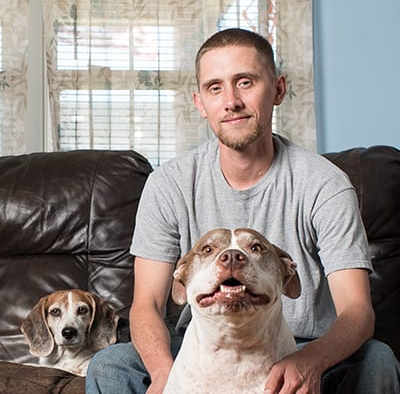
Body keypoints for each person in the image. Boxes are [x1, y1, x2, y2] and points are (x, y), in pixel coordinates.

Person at [86, 28, 400, 394]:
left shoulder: (325, 185)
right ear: (200, 102)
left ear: (278, 89)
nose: (230, 101)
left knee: (377, 359)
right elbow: (146, 305)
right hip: (201, 345)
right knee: (109, 364)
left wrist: (310, 361)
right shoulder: (168, 184)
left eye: (245, 82)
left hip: (301, 346)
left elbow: (358, 312)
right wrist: (164, 373)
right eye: (215, 88)